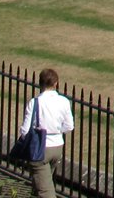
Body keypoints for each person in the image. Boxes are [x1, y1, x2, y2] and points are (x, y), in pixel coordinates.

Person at [20, 67, 75, 198]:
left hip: (40, 149)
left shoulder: (35, 102)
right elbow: (69, 126)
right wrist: (56, 131)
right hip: (57, 147)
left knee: (45, 192)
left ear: (40, 83)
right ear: (56, 83)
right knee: (41, 184)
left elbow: (25, 130)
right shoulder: (64, 101)